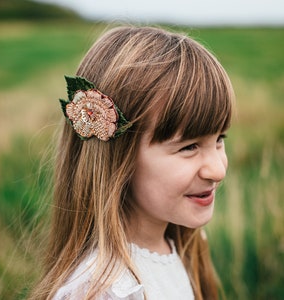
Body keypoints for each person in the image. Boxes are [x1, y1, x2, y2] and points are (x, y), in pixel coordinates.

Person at [30, 25, 234, 300]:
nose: (218, 170)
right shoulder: (105, 291)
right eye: (189, 147)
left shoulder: (187, 246)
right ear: (119, 159)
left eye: (219, 139)